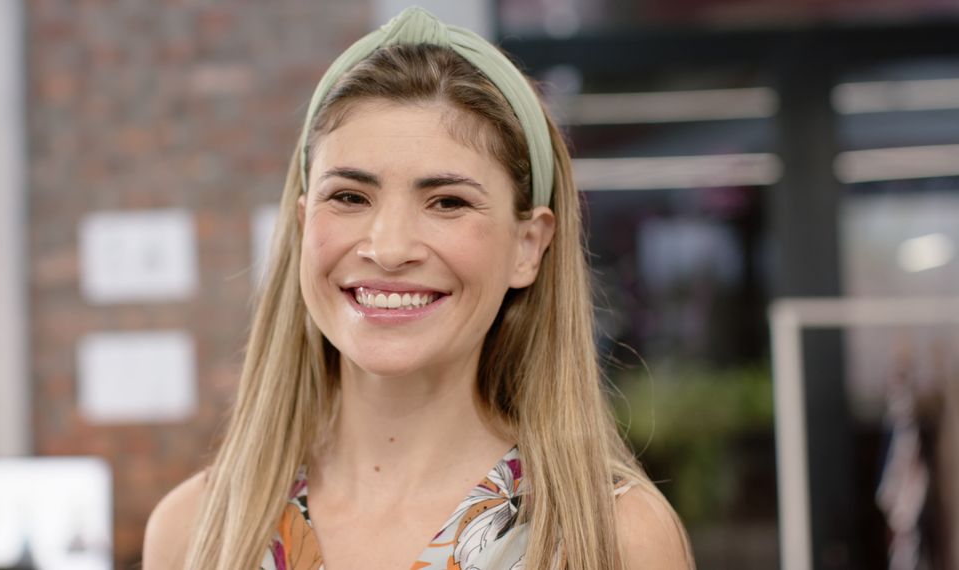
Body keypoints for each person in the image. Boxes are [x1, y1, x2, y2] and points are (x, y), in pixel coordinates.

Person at [144, 7, 693, 570]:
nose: (388, 247)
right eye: (350, 197)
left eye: (447, 202)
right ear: (305, 224)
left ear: (528, 246)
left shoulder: (613, 537)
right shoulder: (195, 530)